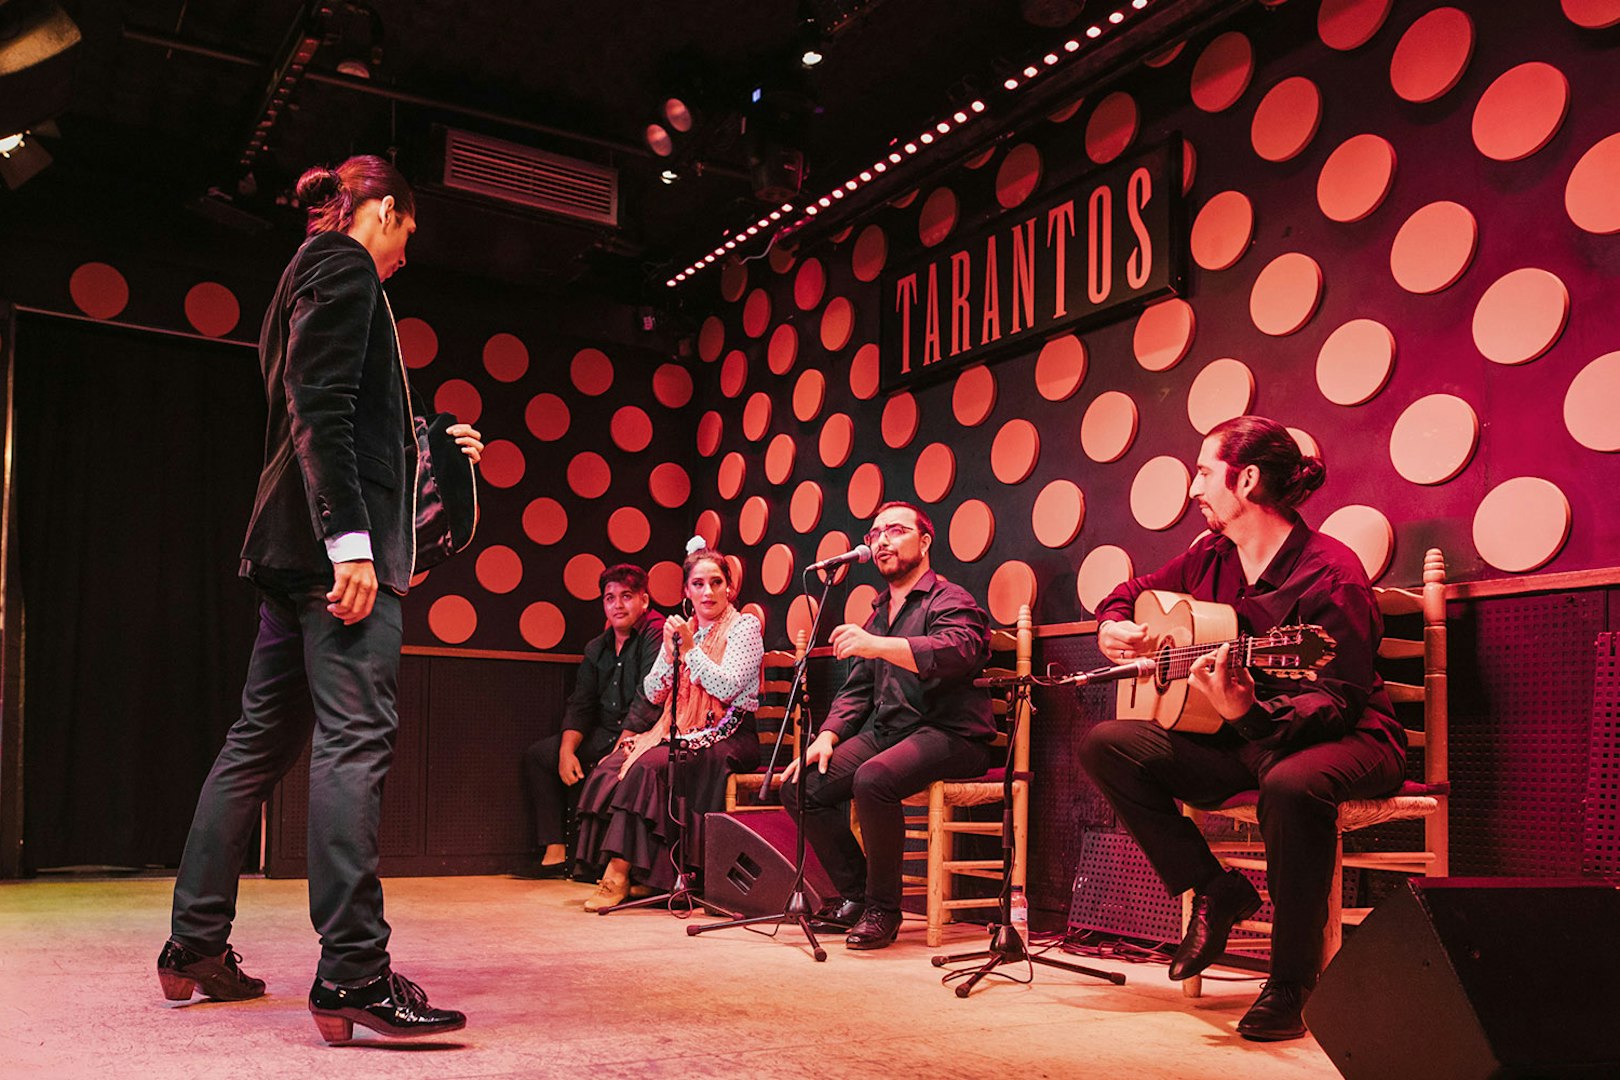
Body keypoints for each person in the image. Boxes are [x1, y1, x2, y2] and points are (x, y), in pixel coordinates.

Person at [159, 156, 480, 1043]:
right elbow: (318, 400)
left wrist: (431, 450)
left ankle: (194, 946)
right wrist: (353, 542)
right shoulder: (343, 266)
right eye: (406, 232)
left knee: (254, 745)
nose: (405, 257)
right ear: (380, 209)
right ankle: (352, 974)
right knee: (354, 743)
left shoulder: (301, 276)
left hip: (287, 547)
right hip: (333, 555)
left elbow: (327, 409)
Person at [1079, 415, 1405, 1042]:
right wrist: (1111, 625)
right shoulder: (1211, 555)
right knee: (1108, 744)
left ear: (1247, 478)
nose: (1194, 487)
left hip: (1351, 738)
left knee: (1289, 786)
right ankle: (1215, 889)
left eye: (1204, 472)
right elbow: (1131, 591)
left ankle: (1290, 983)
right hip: (1246, 739)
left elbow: (1335, 700)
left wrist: (1246, 713)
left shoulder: (1332, 574)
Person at [781, 501, 996, 950]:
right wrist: (827, 736)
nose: (881, 541)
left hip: (952, 733)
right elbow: (857, 689)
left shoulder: (951, 598)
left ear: (924, 541)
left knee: (873, 778)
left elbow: (957, 652)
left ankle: (884, 909)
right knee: (801, 785)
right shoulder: (879, 612)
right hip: (891, 733)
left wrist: (879, 645)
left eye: (895, 531)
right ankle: (857, 897)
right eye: (874, 534)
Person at [573, 547, 763, 911]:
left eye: (715, 583)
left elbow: (727, 688)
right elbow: (654, 691)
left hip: (731, 732)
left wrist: (690, 651)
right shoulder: (681, 630)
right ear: (686, 592)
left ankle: (617, 873)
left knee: (649, 766)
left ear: (730, 588)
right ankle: (652, 876)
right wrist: (669, 652)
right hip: (682, 729)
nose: (707, 592)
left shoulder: (745, 626)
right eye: (698, 584)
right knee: (614, 766)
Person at [520, 564, 664, 878]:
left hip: (645, 734)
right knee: (540, 756)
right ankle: (555, 851)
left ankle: (597, 863)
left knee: (611, 767)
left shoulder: (656, 632)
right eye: (610, 598)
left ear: (644, 600)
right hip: (605, 730)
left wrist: (617, 753)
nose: (618, 605)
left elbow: (648, 699)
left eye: (626, 596)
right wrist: (566, 752)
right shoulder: (597, 647)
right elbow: (581, 704)